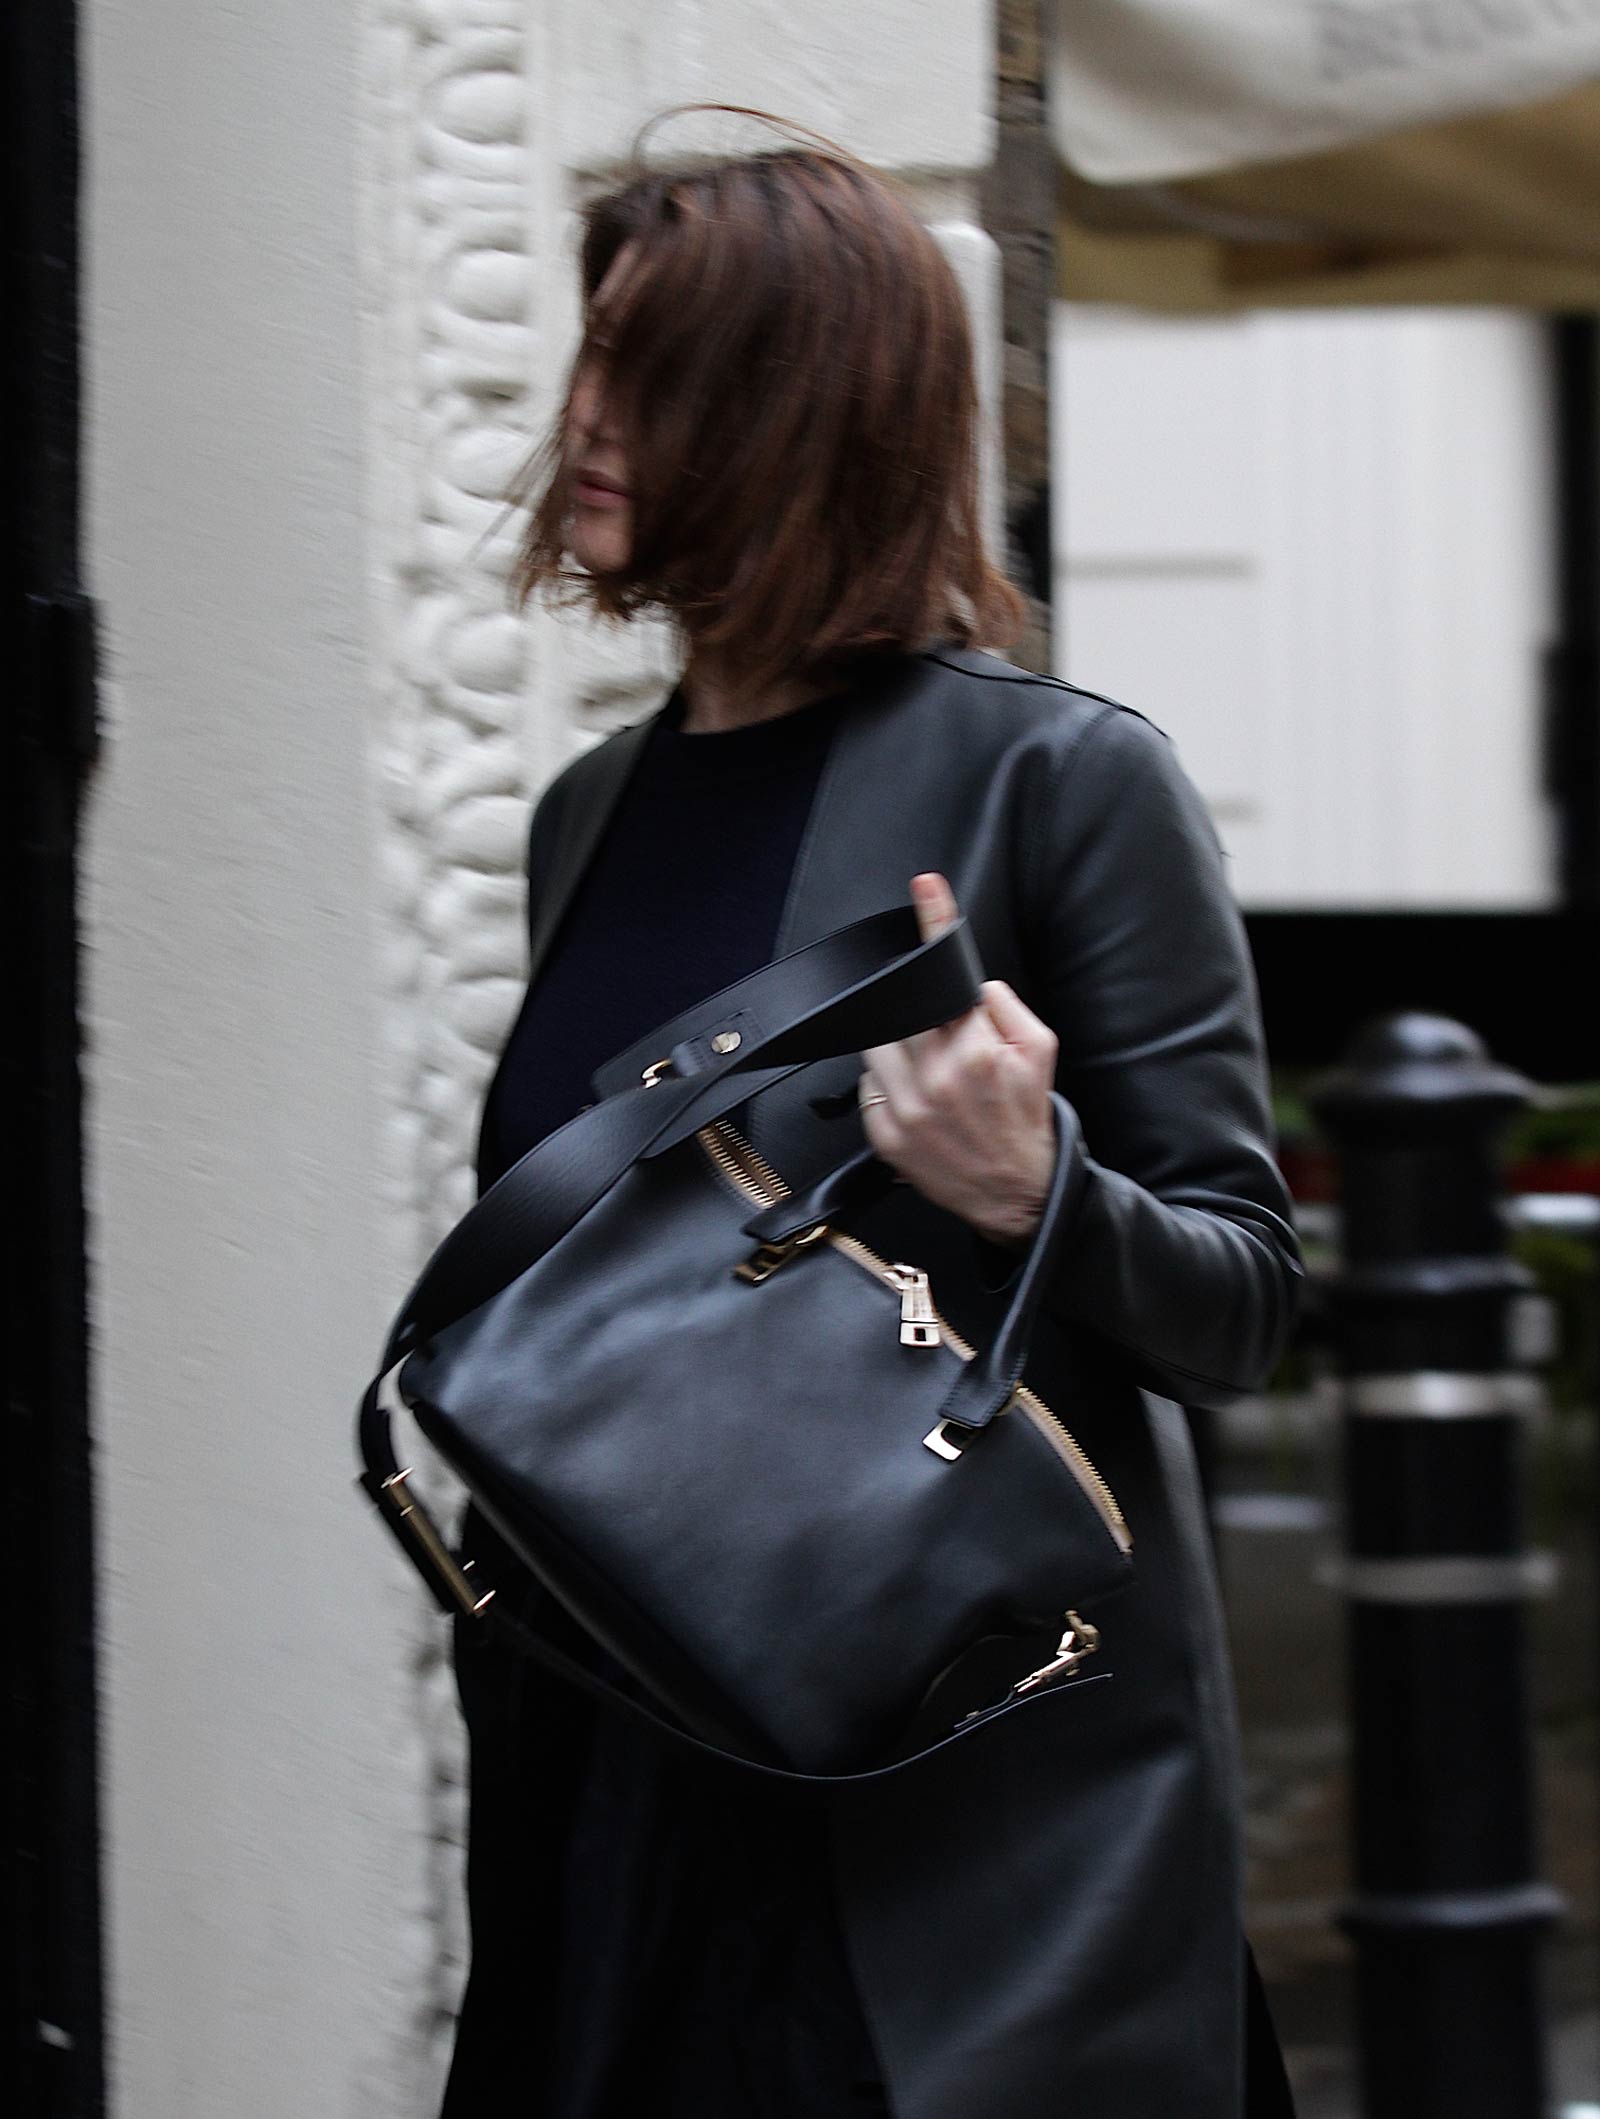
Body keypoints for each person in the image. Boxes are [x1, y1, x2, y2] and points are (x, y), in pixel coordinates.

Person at [440, 112, 1302, 2119]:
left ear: (802, 406)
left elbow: (1241, 1300)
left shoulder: (1057, 783)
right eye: (588, 357)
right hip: (618, 1769)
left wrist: (1033, 1187)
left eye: (648, 371)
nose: (583, 414)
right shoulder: (592, 816)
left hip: (940, 1820)